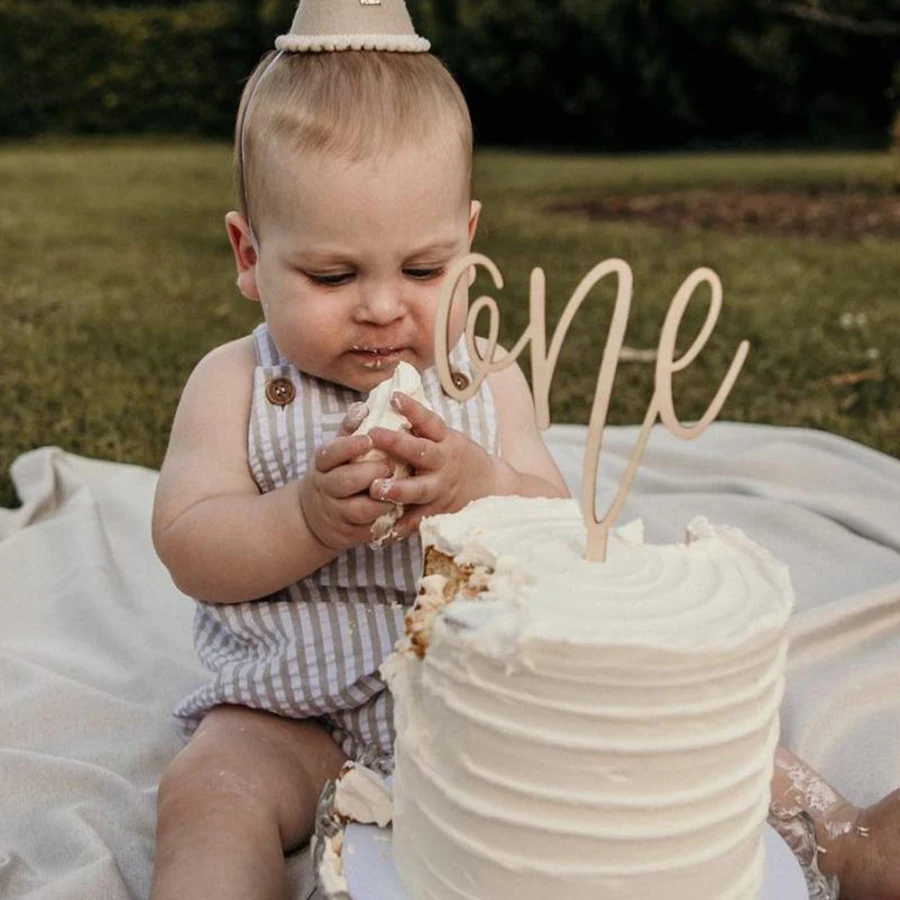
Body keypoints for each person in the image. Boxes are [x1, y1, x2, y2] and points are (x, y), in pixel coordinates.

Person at [149, 3, 900, 899]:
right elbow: (192, 547)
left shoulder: (484, 373)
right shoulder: (236, 382)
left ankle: (846, 839)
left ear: (468, 240)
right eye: (334, 276)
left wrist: (480, 487)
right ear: (249, 253)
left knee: (670, 732)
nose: (385, 308)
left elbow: (555, 522)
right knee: (207, 788)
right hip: (293, 718)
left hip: (494, 699)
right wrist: (304, 517)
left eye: (425, 271)